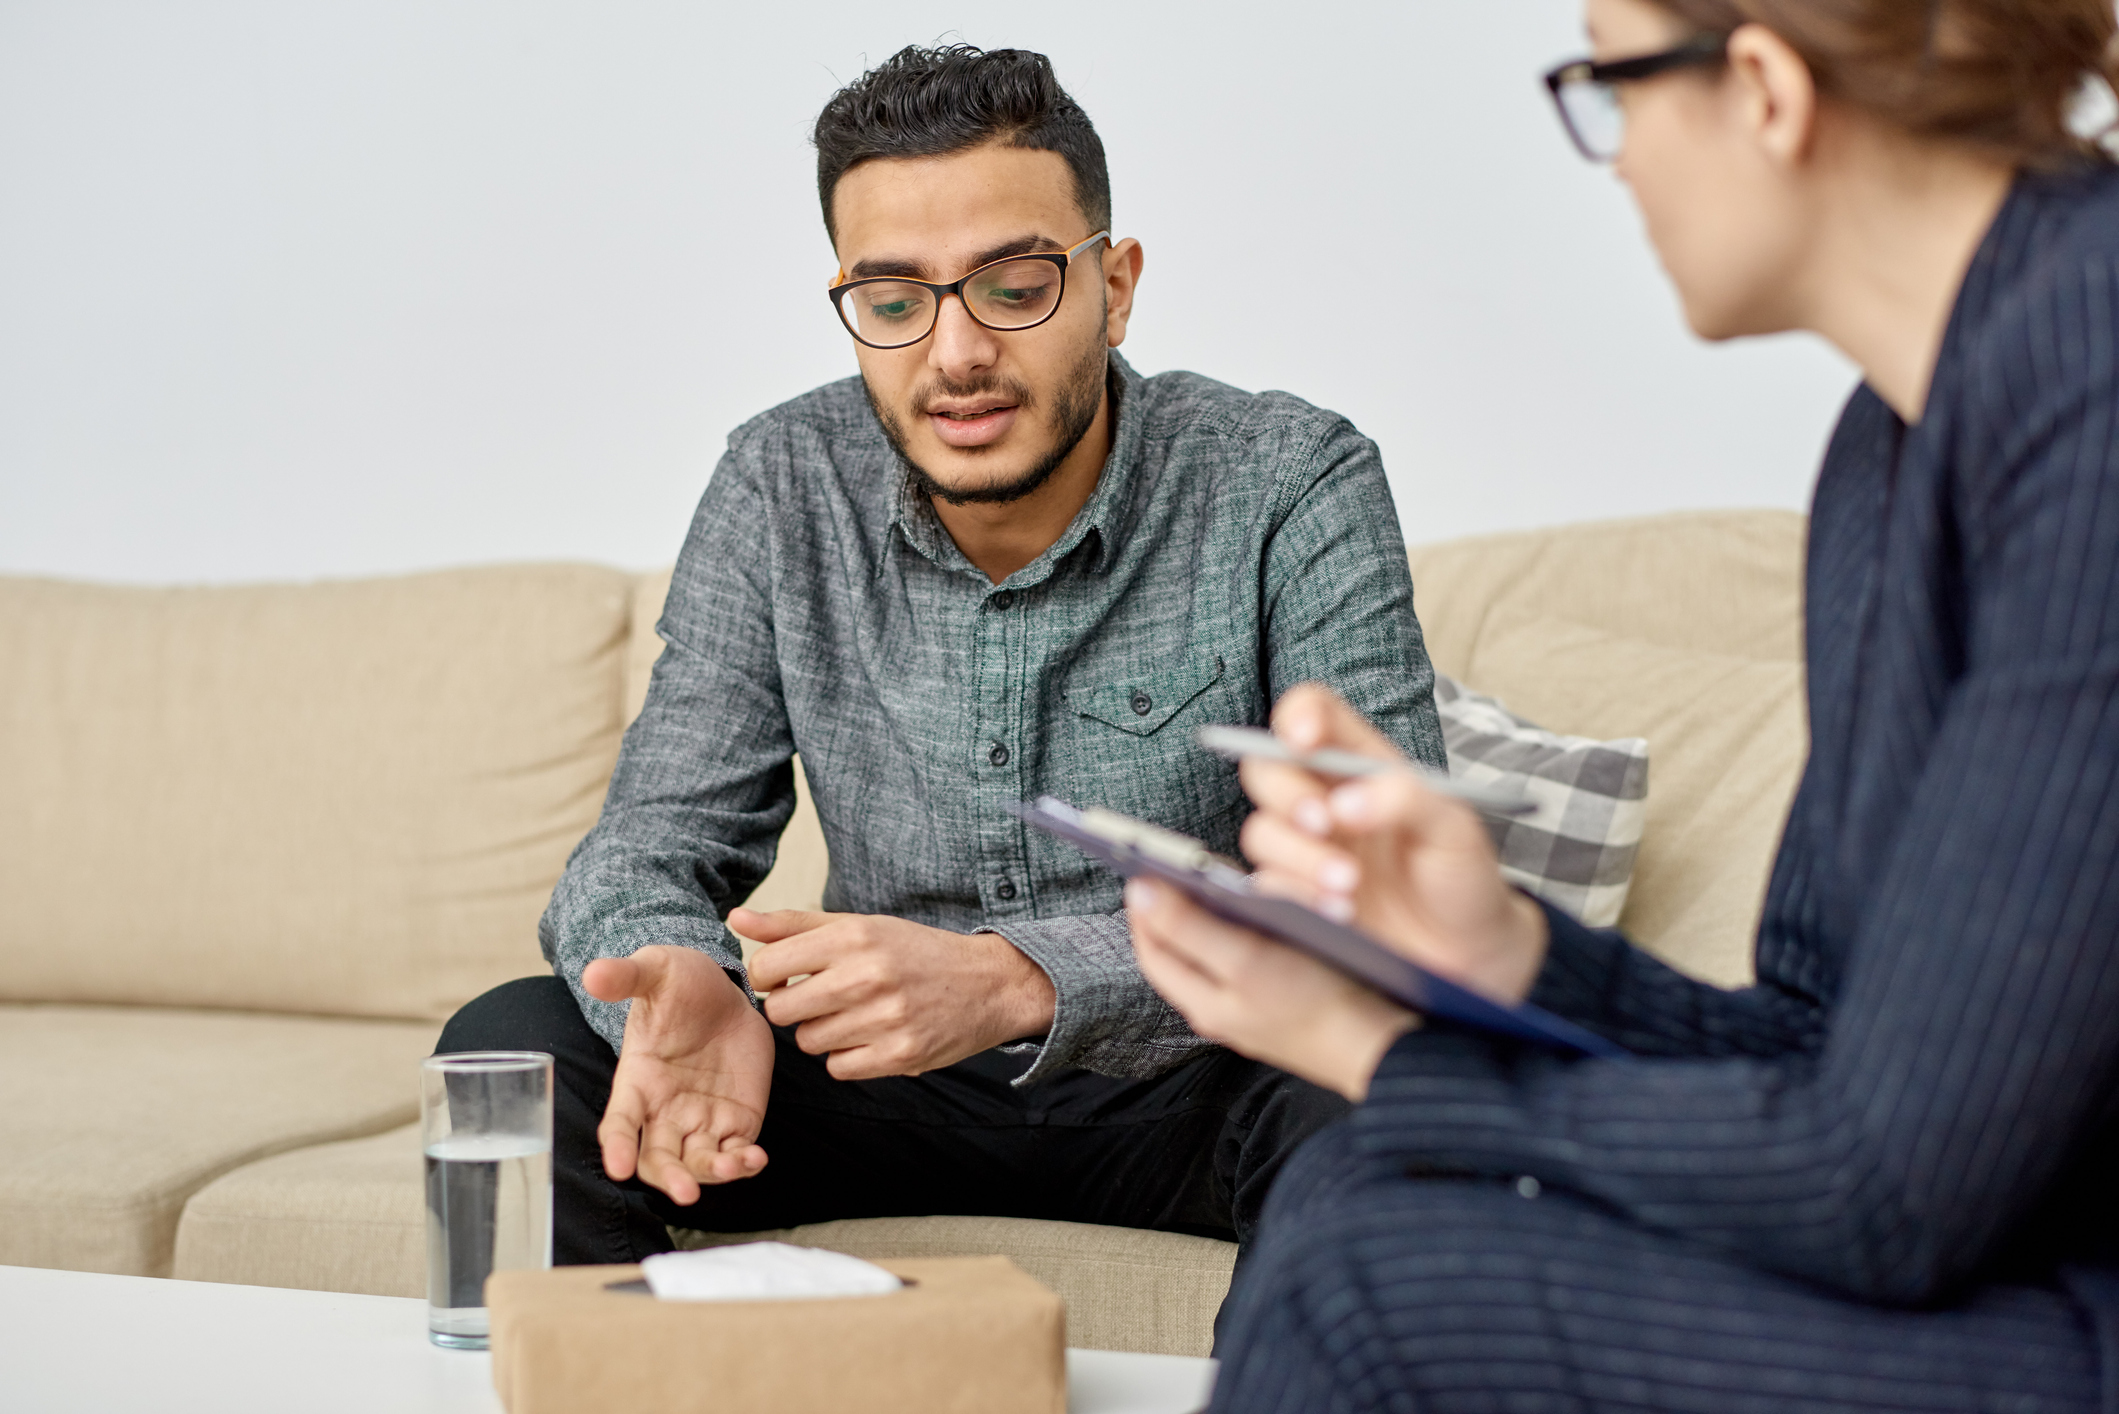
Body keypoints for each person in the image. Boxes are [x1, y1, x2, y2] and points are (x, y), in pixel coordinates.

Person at [1124, 0, 2119, 1408]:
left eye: (1610, 87)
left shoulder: (2088, 382)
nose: (1614, 161)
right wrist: (1513, 953)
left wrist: (1376, 1048)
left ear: (1762, 89)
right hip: (2012, 1257)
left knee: (1378, 1279)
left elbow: (1885, 1188)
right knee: (1352, 1176)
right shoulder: (1883, 452)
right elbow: (1817, 1043)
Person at [438, 45, 1447, 1272]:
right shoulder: (779, 483)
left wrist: (1022, 976)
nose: (954, 352)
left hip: (1196, 1077)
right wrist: (685, 979)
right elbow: (646, 846)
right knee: (513, 1047)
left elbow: (1381, 903)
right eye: (896, 298)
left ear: (1113, 288)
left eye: (1013, 285)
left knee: (1398, 1086)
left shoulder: (1289, 479)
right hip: (877, 1087)